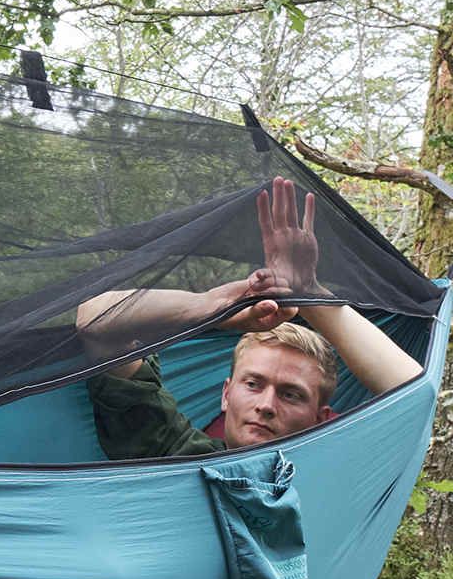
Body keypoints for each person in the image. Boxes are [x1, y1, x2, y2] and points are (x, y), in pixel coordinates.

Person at [75, 178, 422, 461]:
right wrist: (209, 306)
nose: (266, 406)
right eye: (253, 384)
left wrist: (307, 291)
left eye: (291, 395)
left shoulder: (338, 477)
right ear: (226, 395)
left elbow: (415, 395)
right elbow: (94, 321)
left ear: (321, 417)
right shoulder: (178, 455)